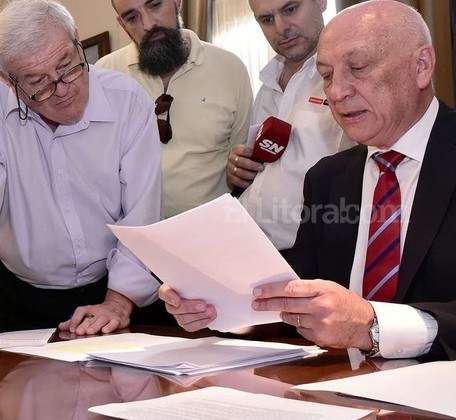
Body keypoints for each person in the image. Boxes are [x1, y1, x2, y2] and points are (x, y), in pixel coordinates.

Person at [161, 0, 456, 364]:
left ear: (421, 66)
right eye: (327, 75)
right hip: (343, 394)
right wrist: (218, 310)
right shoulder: (327, 179)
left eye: (359, 68)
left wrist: (374, 325)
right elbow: (296, 309)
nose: (337, 92)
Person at [0, 0, 162, 334]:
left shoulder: (127, 100)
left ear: (76, 39)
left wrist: (118, 302)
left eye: (67, 65)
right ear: (9, 81)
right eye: (37, 81)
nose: (62, 89)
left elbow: (141, 214)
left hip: (112, 287)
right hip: (15, 293)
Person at [97, 0, 253, 218]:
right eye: (132, 17)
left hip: (215, 225)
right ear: (122, 25)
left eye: (155, 5)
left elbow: (241, 160)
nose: (148, 24)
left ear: (177, 1)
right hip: (136, 231)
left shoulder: (231, 69)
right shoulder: (104, 76)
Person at [227, 0, 352, 252]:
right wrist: (237, 171)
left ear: (321, 2)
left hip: (314, 254)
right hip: (248, 246)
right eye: (267, 20)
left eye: (290, 9)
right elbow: (267, 168)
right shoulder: (267, 83)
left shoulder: (349, 77)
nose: (280, 28)